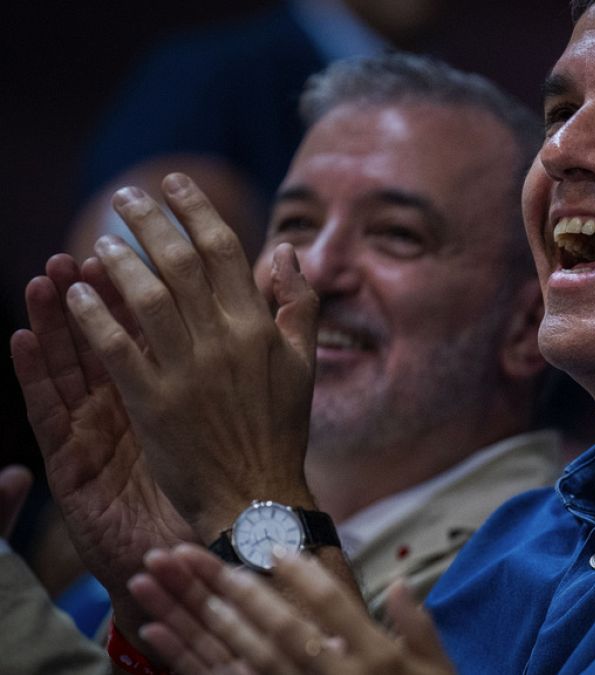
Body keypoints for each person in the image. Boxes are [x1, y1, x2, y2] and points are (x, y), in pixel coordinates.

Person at [21, 0, 595, 673]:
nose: (565, 150)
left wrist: (253, 503)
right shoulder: (520, 534)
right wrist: (162, 598)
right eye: (557, 111)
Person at [7, 51, 560, 668]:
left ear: (526, 324)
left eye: (397, 234)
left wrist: (249, 503)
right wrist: (154, 616)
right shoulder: (181, 531)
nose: (317, 269)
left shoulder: (557, 568)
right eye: (296, 222)